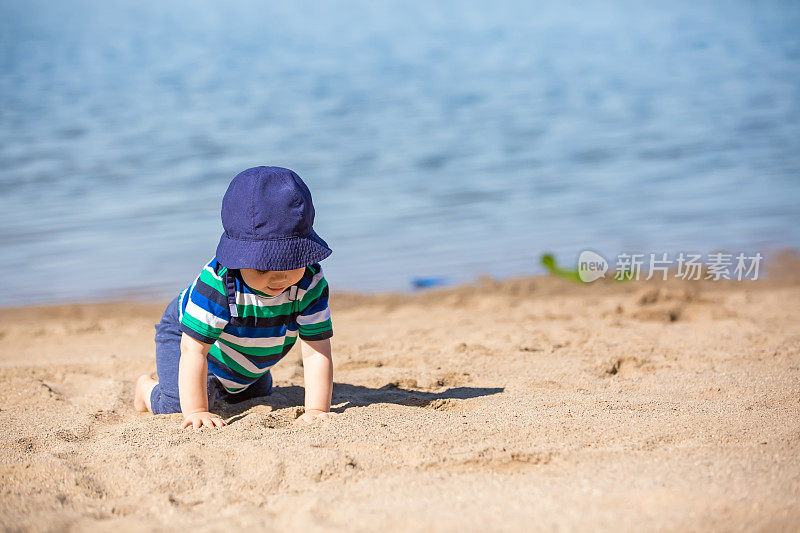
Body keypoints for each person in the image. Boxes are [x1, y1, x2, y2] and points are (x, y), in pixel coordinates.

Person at [133, 166, 336, 429]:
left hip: (244, 353)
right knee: (178, 405)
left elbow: (315, 352)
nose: (278, 278)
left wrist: (317, 409)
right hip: (187, 337)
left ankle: (230, 381)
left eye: (290, 262)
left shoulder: (310, 283)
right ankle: (146, 390)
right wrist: (196, 412)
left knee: (257, 394)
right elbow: (194, 350)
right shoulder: (219, 282)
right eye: (263, 267)